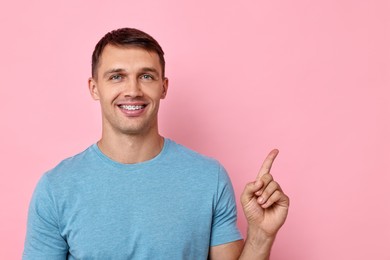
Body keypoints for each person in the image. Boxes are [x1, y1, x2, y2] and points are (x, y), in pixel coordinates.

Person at [23, 28, 289, 260]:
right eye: (116, 76)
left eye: (146, 76)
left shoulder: (209, 178)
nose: (133, 90)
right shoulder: (56, 188)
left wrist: (261, 236)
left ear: (163, 87)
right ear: (94, 88)